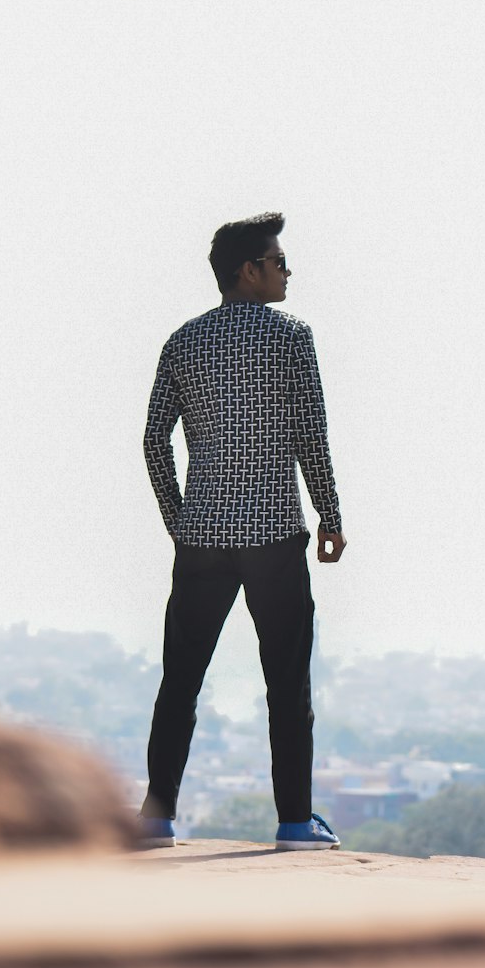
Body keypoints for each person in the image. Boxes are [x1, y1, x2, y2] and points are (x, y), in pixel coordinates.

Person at [139, 213, 346, 850]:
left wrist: (182, 522)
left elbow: (153, 442)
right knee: (286, 683)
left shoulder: (183, 341)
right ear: (248, 270)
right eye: (279, 261)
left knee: (181, 680)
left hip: (201, 539)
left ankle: (155, 818)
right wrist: (330, 517)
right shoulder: (291, 337)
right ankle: (293, 823)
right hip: (275, 537)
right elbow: (312, 434)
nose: (287, 272)